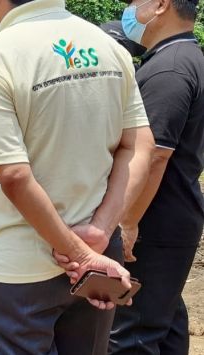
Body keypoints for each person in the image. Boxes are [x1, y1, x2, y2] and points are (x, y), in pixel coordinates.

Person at [0, 0, 155, 354]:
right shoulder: (109, 48)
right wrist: (98, 233)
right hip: (100, 260)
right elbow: (139, 145)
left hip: (22, 267)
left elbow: (13, 174)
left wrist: (77, 253)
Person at [109, 1, 204, 353]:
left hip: (154, 218)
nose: (129, 9)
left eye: (135, 2)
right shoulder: (185, 58)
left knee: (131, 335)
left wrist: (128, 222)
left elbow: (155, 156)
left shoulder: (170, 69)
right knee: (165, 324)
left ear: (161, 5)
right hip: (174, 212)